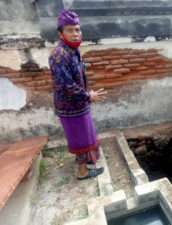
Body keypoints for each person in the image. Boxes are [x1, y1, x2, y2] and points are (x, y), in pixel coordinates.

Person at [49, 10, 107, 180]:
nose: (76, 34)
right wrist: (89, 96)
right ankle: (83, 172)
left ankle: (80, 161)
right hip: (70, 106)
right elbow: (67, 85)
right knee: (82, 139)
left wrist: (87, 96)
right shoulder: (59, 54)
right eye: (70, 30)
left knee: (80, 136)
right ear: (61, 33)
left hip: (78, 104)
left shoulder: (73, 50)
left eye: (78, 30)